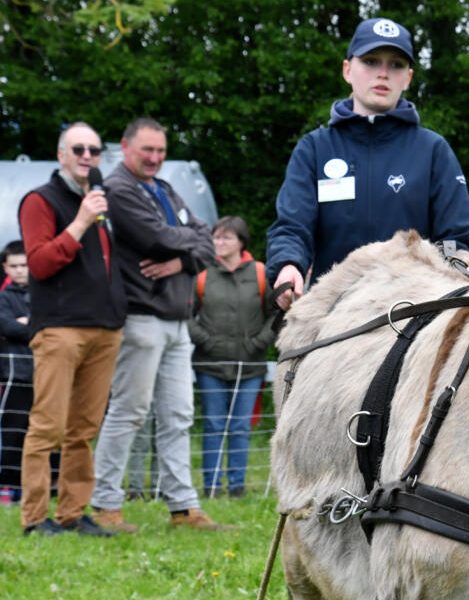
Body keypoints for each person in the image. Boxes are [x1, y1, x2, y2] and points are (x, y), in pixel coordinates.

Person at [267, 17, 469, 311]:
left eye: (396, 65)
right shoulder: (314, 148)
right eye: (371, 61)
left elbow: (455, 241)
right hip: (331, 318)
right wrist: (288, 264)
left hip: (412, 319)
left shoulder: (434, 150)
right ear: (347, 70)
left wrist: (454, 282)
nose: (383, 73)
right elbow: (292, 227)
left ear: (409, 77)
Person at [90, 118, 223, 532]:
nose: (154, 158)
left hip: (178, 320)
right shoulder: (119, 190)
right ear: (126, 148)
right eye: (147, 150)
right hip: (141, 316)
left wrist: (183, 259)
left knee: (179, 415)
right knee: (128, 412)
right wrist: (186, 243)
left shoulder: (162, 188)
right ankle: (105, 505)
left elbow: (207, 239)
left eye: (160, 151)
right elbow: (156, 238)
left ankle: (184, 508)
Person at [17, 122, 127, 536]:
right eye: (78, 149)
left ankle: (73, 513)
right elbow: (41, 263)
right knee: (47, 426)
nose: (87, 156)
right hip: (61, 329)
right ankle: (34, 518)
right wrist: (80, 221)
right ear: (61, 154)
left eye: (95, 150)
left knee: (83, 430)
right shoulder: (39, 201)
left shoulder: (102, 201)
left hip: (105, 328)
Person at [189, 216, 276, 498]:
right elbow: (185, 314)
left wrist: (259, 343)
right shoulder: (201, 274)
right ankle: (211, 486)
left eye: (226, 238)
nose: (219, 243)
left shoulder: (261, 273)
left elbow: (277, 315)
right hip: (209, 365)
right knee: (213, 425)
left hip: (250, 366)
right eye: (216, 237)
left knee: (240, 426)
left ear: (241, 242)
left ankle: (236, 487)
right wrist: (206, 341)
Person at [0, 241, 36, 503]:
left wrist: (25, 324)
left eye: (24, 265)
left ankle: (48, 483)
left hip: (45, 372)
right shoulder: (3, 297)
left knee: (45, 430)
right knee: (14, 430)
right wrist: (29, 326)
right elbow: (8, 327)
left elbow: (50, 325)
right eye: (14, 266)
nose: (20, 270)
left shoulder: (45, 294)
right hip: (15, 374)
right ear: (5, 267)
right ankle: (9, 486)